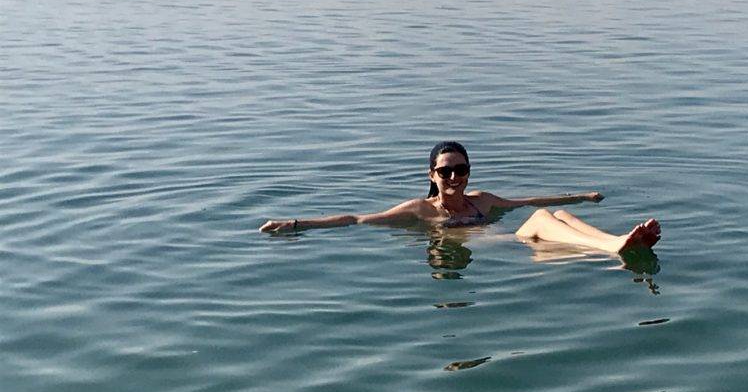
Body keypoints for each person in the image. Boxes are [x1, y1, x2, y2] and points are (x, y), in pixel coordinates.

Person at [259, 141, 660, 254]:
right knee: (540, 220)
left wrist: (582, 197)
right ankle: (615, 246)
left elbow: (525, 199)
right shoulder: (420, 210)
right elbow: (356, 220)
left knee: (550, 213)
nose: (454, 177)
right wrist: (297, 224)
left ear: (469, 173)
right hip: (501, 246)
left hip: (514, 244)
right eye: (445, 171)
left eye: (460, 170)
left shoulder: (482, 200)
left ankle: (613, 247)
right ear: (432, 176)